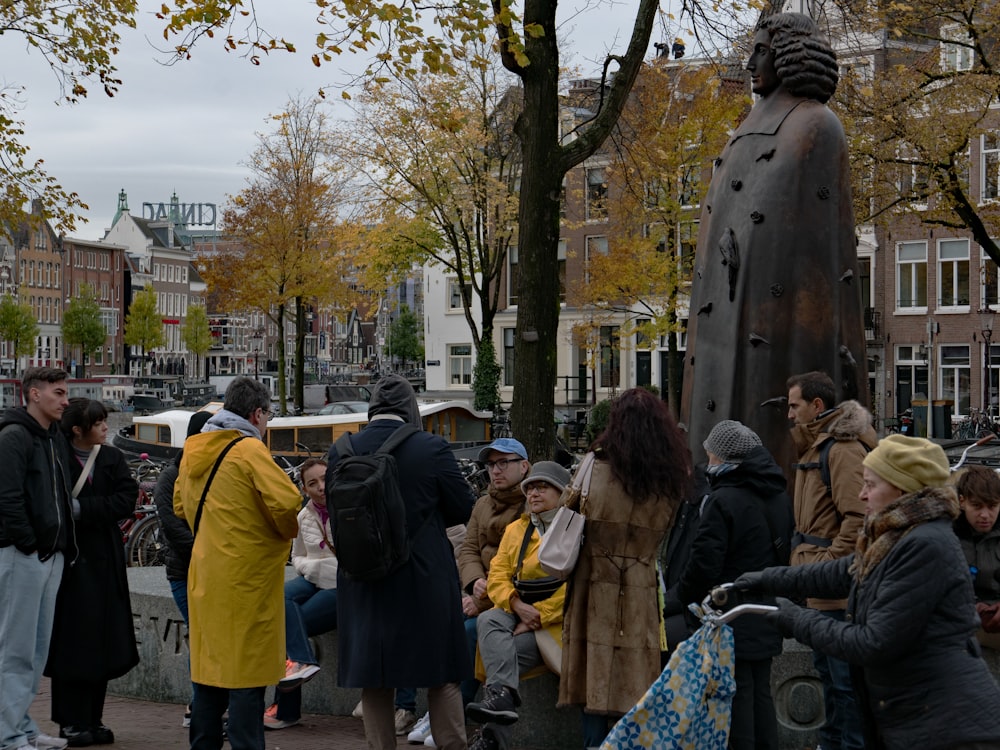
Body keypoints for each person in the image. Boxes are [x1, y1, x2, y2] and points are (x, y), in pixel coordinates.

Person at [681, 12, 867, 476]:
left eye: (760, 50)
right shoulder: (745, 130)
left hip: (778, 325)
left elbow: (817, 250)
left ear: (787, 56)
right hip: (722, 319)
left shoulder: (816, 127)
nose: (748, 64)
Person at [736, 434, 1000, 749]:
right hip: (926, 720)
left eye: (871, 485)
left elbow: (872, 642)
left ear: (901, 490)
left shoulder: (924, 545)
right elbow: (840, 573)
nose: (862, 495)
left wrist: (788, 616)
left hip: (950, 728)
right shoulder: (899, 535)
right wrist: (765, 579)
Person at [327, 374, 475, 750]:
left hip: (363, 579)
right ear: (411, 409)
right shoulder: (432, 448)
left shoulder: (342, 450)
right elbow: (462, 508)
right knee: (441, 676)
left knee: (375, 679)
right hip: (421, 578)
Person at [174, 377, 302, 750]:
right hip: (247, 579)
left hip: (204, 576)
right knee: (246, 676)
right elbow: (286, 501)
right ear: (256, 413)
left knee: (209, 673)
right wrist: (279, 535)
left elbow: (180, 507)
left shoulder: (195, 449)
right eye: (269, 416)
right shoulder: (248, 450)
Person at [559, 388, 691, 748]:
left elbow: (567, 513)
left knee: (594, 678)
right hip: (641, 586)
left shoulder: (593, 467)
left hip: (593, 584)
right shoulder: (670, 480)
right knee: (636, 679)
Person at [662, 420, 792, 750]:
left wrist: (674, 599)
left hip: (730, 614)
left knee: (735, 699)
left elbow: (704, 566)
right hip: (765, 608)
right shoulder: (778, 493)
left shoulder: (723, 500)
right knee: (761, 694)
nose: (708, 464)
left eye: (711, 456)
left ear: (724, 457)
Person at [786, 370, 875, 750]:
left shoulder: (840, 450)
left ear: (816, 406)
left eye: (795, 406)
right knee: (829, 675)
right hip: (817, 583)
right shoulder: (816, 447)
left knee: (843, 682)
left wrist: (826, 564)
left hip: (833, 588)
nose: (790, 414)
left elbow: (858, 518)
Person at [45, 399, 139, 747]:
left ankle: (93, 718)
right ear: (76, 430)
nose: (105, 427)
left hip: (104, 558)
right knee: (71, 642)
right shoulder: (55, 458)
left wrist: (83, 509)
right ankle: (69, 720)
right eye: (98, 423)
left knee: (101, 639)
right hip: (69, 561)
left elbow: (126, 499)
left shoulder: (112, 458)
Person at [465, 461, 570, 750]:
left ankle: (491, 738)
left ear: (562, 492)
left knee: (500, 657)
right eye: (530, 488)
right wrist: (515, 604)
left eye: (542, 487)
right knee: (488, 621)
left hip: (558, 624)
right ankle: (498, 705)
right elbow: (497, 574)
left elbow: (577, 586)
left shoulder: (576, 529)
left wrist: (540, 615)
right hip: (518, 610)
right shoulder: (516, 529)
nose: (534, 493)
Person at [0, 367, 75, 750]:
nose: (65, 401)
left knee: (35, 649)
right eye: (59, 393)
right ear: (33, 394)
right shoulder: (14, 437)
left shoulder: (51, 438)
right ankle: (8, 734)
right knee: (15, 649)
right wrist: (29, 543)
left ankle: (22, 726)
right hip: (24, 556)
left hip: (49, 556)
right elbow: (8, 498)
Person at [264, 458, 336, 730]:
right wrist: (315, 567)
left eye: (325, 479)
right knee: (276, 599)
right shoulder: (304, 516)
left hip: (341, 586)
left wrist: (326, 569)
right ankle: (303, 662)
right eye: (312, 483)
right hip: (314, 578)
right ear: (304, 489)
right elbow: (297, 557)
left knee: (289, 626)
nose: (321, 487)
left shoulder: (348, 509)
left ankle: (285, 709)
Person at [153, 409, 213, 729]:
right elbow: (174, 528)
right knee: (202, 637)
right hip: (185, 571)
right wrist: (211, 553)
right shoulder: (171, 475)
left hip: (211, 569)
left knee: (209, 637)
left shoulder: (211, 472)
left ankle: (204, 707)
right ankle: (198, 708)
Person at [952, 465, 1000, 648]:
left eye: (993, 506)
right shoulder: (947, 534)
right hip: (960, 628)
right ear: (962, 502)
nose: (985, 515)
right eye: (977, 506)